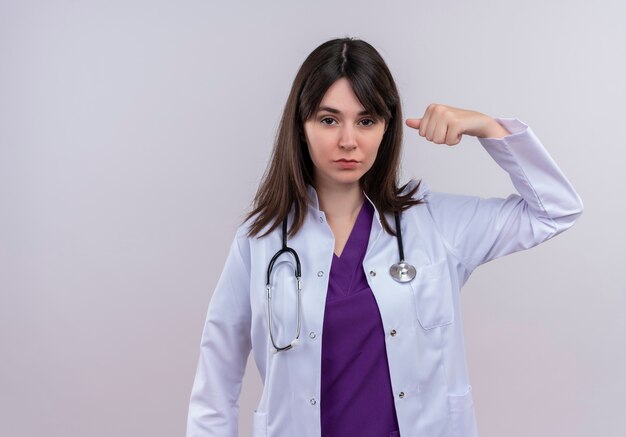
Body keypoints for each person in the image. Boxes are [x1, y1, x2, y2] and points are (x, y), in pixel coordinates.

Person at [186, 37, 583, 437]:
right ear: (301, 126)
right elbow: (216, 383)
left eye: (366, 121)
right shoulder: (261, 241)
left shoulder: (434, 224)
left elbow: (555, 209)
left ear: (386, 128)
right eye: (328, 120)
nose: (348, 141)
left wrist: (488, 128)